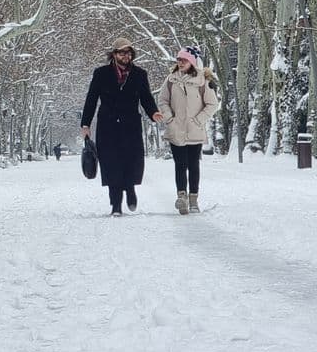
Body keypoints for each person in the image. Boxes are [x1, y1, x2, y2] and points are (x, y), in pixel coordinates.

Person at [81, 37, 162, 217]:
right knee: (111, 164)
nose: (126, 56)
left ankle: (130, 189)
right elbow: (91, 99)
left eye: (129, 52)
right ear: (114, 54)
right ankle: (116, 205)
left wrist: (153, 112)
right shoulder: (101, 73)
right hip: (107, 125)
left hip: (130, 124)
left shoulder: (140, 74)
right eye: (122, 52)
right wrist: (85, 124)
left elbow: (146, 97)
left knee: (130, 161)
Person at [157, 47, 220, 215]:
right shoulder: (171, 80)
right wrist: (169, 118)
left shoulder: (203, 81)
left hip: (194, 130)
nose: (180, 62)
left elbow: (212, 104)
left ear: (191, 62)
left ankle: (193, 199)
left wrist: (198, 120)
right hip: (176, 129)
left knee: (193, 165)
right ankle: (181, 197)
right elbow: (162, 100)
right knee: (180, 164)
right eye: (178, 59)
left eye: (183, 60)